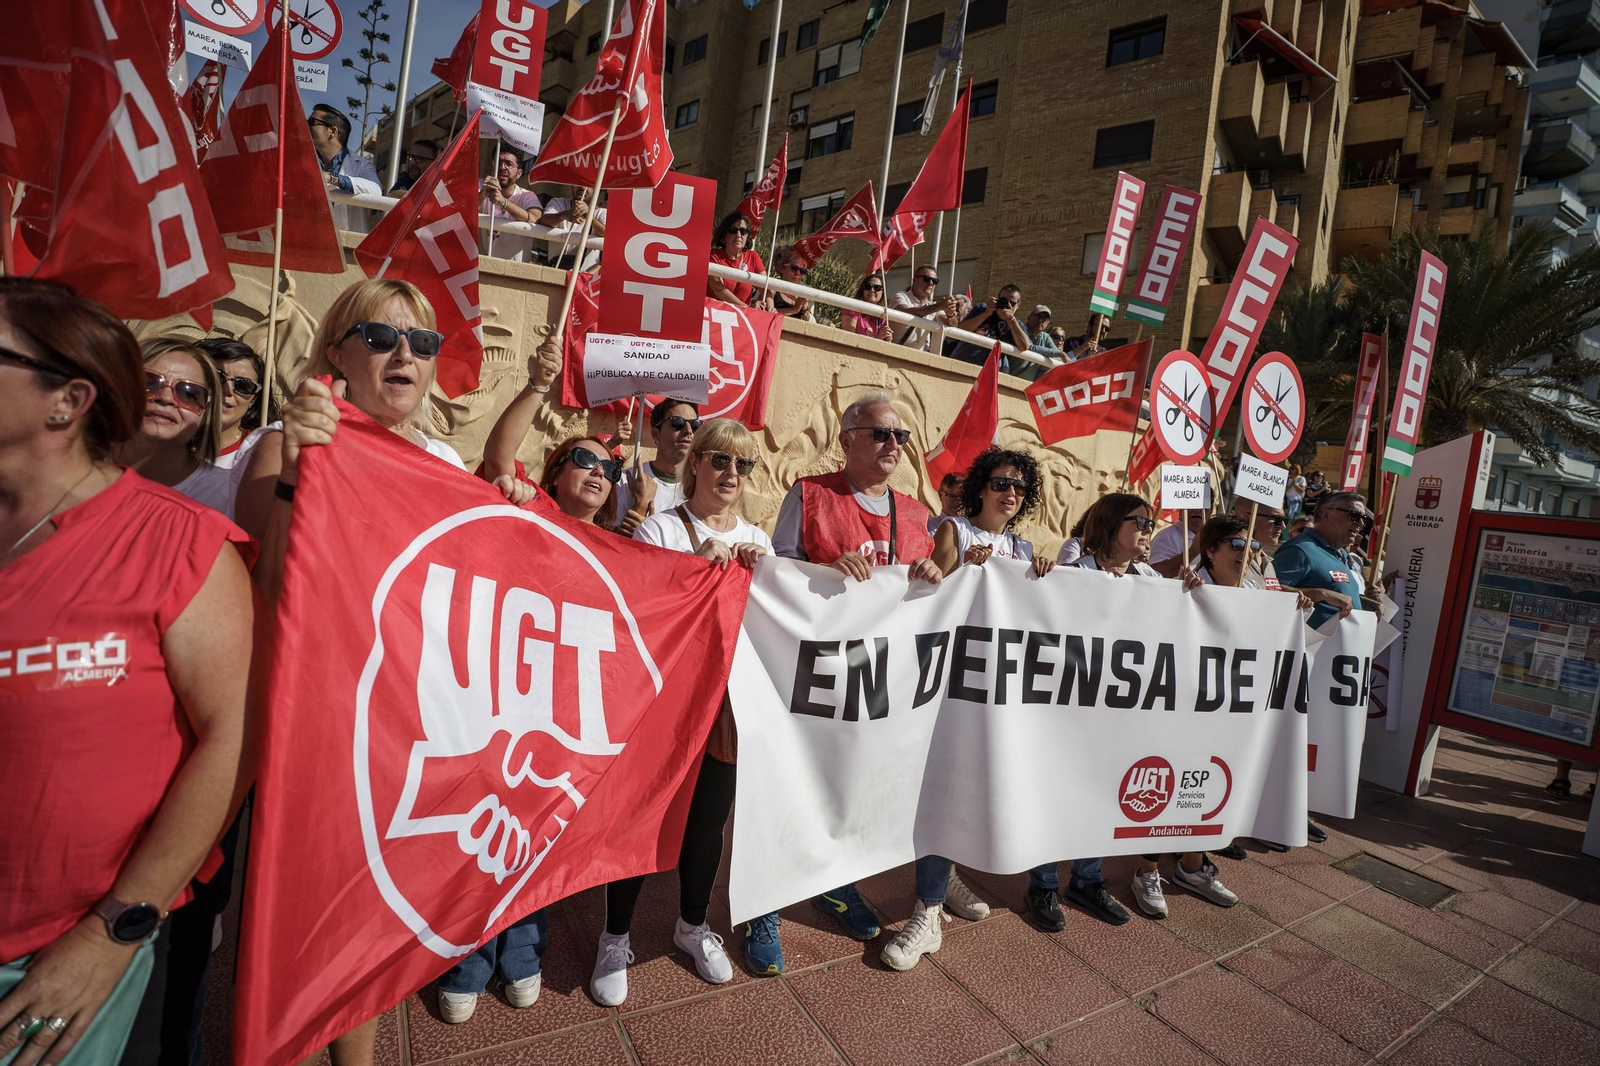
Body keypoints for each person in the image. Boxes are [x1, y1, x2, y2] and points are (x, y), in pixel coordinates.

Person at [234, 278, 532, 1064]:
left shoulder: (438, 461)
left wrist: (502, 516)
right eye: (381, 337)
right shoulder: (288, 442)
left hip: (403, 734)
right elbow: (265, 591)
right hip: (316, 735)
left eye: (423, 343)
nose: (406, 354)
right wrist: (302, 465)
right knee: (295, 948)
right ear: (337, 352)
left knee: (370, 931)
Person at [0, 279, 252, 1066]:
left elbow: (237, 735)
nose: (170, 398)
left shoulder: (185, 542)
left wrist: (115, 929)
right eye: (155, 381)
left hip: (55, 958)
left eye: (193, 390)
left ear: (66, 401)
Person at [750, 391, 943, 973]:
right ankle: (765, 909)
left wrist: (936, 573)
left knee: (856, 789)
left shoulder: (916, 512)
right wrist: (821, 571)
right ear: (848, 438)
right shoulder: (810, 494)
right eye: (881, 434)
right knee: (788, 787)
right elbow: (776, 573)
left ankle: (837, 887)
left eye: (901, 437)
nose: (893, 446)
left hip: (881, 682)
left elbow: (926, 593)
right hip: (812, 674)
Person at [591, 420, 770, 1005]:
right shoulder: (664, 528)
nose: (731, 474)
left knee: (707, 823)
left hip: (726, 707)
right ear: (695, 463)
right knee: (641, 817)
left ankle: (692, 925)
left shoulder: (759, 542)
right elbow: (640, 605)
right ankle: (614, 937)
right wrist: (694, 562)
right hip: (663, 706)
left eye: (742, 466)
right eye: (720, 460)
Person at [883, 448, 1055, 971]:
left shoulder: (1024, 547)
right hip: (953, 687)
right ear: (981, 485)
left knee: (974, 790)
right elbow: (931, 583)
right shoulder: (956, 530)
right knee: (943, 788)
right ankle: (927, 912)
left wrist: (1045, 576)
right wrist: (956, 572)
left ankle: (946, 878)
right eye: (1001, 482)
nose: (1010, 493)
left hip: (1000, 690)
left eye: (1020, 488)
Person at [115, 338, 232, 516]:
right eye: (148, 383)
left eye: (188, 393)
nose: (166, 398)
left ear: (206, 410)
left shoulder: (229, 495)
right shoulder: (76, 472)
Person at [1272, 490, 1387, 632]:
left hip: (1337, 648)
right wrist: (1321, 594)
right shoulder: (1299, 549)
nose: (1361, 524)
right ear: (1326, 514)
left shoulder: (1341, 553)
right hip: (1309, 648)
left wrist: (1361, 602)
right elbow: (1269, 592)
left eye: (1364, 518)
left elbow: (1335, 595)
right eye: (1354, 515)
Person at [614, 401, 699, 532]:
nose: (688, 431)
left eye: (694, 425)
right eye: (677, 423)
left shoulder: (701, 488)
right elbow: (608, 542)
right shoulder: (626, 480)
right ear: (655, 434)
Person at [197, 337, 274, 472]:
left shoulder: (264, 455)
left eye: (243, 385)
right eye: (217, 377)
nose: (228, 390)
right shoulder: (165, 441)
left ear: (253, 400)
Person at [309, 104, 380, 232]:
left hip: (345, 244)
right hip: (309, 238)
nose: (306, 126)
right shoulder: (305, 160)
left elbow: (375, 191)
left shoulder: (362, 165)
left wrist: (333, 178)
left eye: (312, 122)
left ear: (332, 131)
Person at [480, 147, 544, 262]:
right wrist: (483, 194)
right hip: (481, 265)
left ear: (519, 173)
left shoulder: (526, 196)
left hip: (512, 271)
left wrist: (504, 202)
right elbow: (463, 213)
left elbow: (536, 218)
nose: (502, 167)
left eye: (508, 164)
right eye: (498, 162)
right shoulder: (480, 186)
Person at [949, 284, 1030, 371]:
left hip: (986, 373)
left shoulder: (1016, 323)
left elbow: (1025, 346)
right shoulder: (982, 309)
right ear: (997, 299)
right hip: (960, 363)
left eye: (1012, 303)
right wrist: (986, 313)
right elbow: (961, 329)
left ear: (1018, 305)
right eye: (1004, 301)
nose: (1007, 305)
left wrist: (1011, 320)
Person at [539, 188, 607, 270]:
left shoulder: (602, 212)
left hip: (585, 276)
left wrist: (589, 217)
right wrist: (564, 215)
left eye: (588, 185)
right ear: (572, 185)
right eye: (579, 181)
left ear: (597, 189)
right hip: (556, 269)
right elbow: (544, 221)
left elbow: (606, 233)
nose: (582, 187)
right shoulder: (557, 203)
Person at [707, 212, 765, 307]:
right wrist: (746, 308)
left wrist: (771, 307)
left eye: (743, 231)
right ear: (724, 234)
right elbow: (718, 289)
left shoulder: (753, 257)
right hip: (713, 314)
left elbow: (765, 287)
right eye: (733, 230)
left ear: (747, 236)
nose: (738, 235)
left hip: (741, 318)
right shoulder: (713, 255)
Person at [892, 266, 954, 351]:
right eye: (927, 279)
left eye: (935, 281)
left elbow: (950, 324)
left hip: (920, 357)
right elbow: (907, 311)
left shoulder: (933, 305)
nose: (931, 283)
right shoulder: (901, 296)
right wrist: (940, 306)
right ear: (915, 280)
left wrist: (950, 313)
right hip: (895, 352)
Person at [839, 274, 895, 341]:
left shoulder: (883, 317)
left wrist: (887, 339)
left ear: (882, 292)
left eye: (877, 288)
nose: (872, 290)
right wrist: (879, 338)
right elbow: (849, 340)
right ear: (862, 290)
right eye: (868, 287)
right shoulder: (852, 308)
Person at [768, 249, 815, 321]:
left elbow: (810, 323)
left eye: (802, 271)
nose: (798, 273)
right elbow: (765, 312)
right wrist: (793, 310)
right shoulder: (771, 288)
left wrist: (805, 309)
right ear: (782, 268)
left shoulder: (807, 292)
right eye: (794, 268)